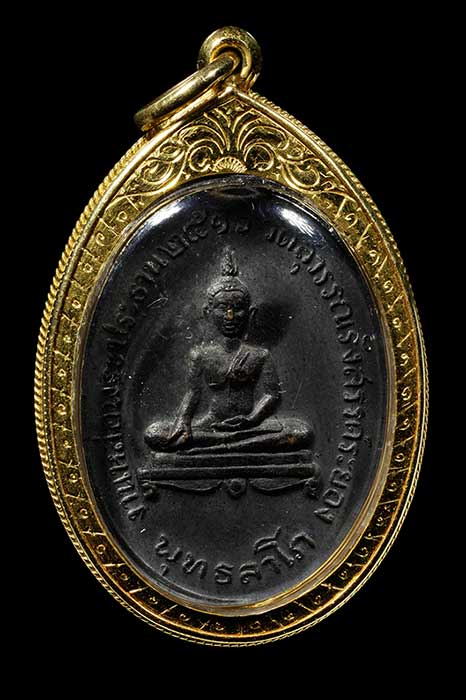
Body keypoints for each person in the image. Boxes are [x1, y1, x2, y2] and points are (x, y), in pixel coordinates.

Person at [145, 248, 313, 455]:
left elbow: (271, 394)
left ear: (250, 313)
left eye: (237, 308)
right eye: (222, 308)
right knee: (154, 433)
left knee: (301, 432)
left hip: (251, 425)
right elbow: (193, 393)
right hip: (212, 424)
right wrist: (183, 421)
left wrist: (252, 419)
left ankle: (223, 445)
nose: (230, 316)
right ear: (208, 313)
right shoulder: (201, 356)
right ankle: (235, 445)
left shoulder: (260, 355)